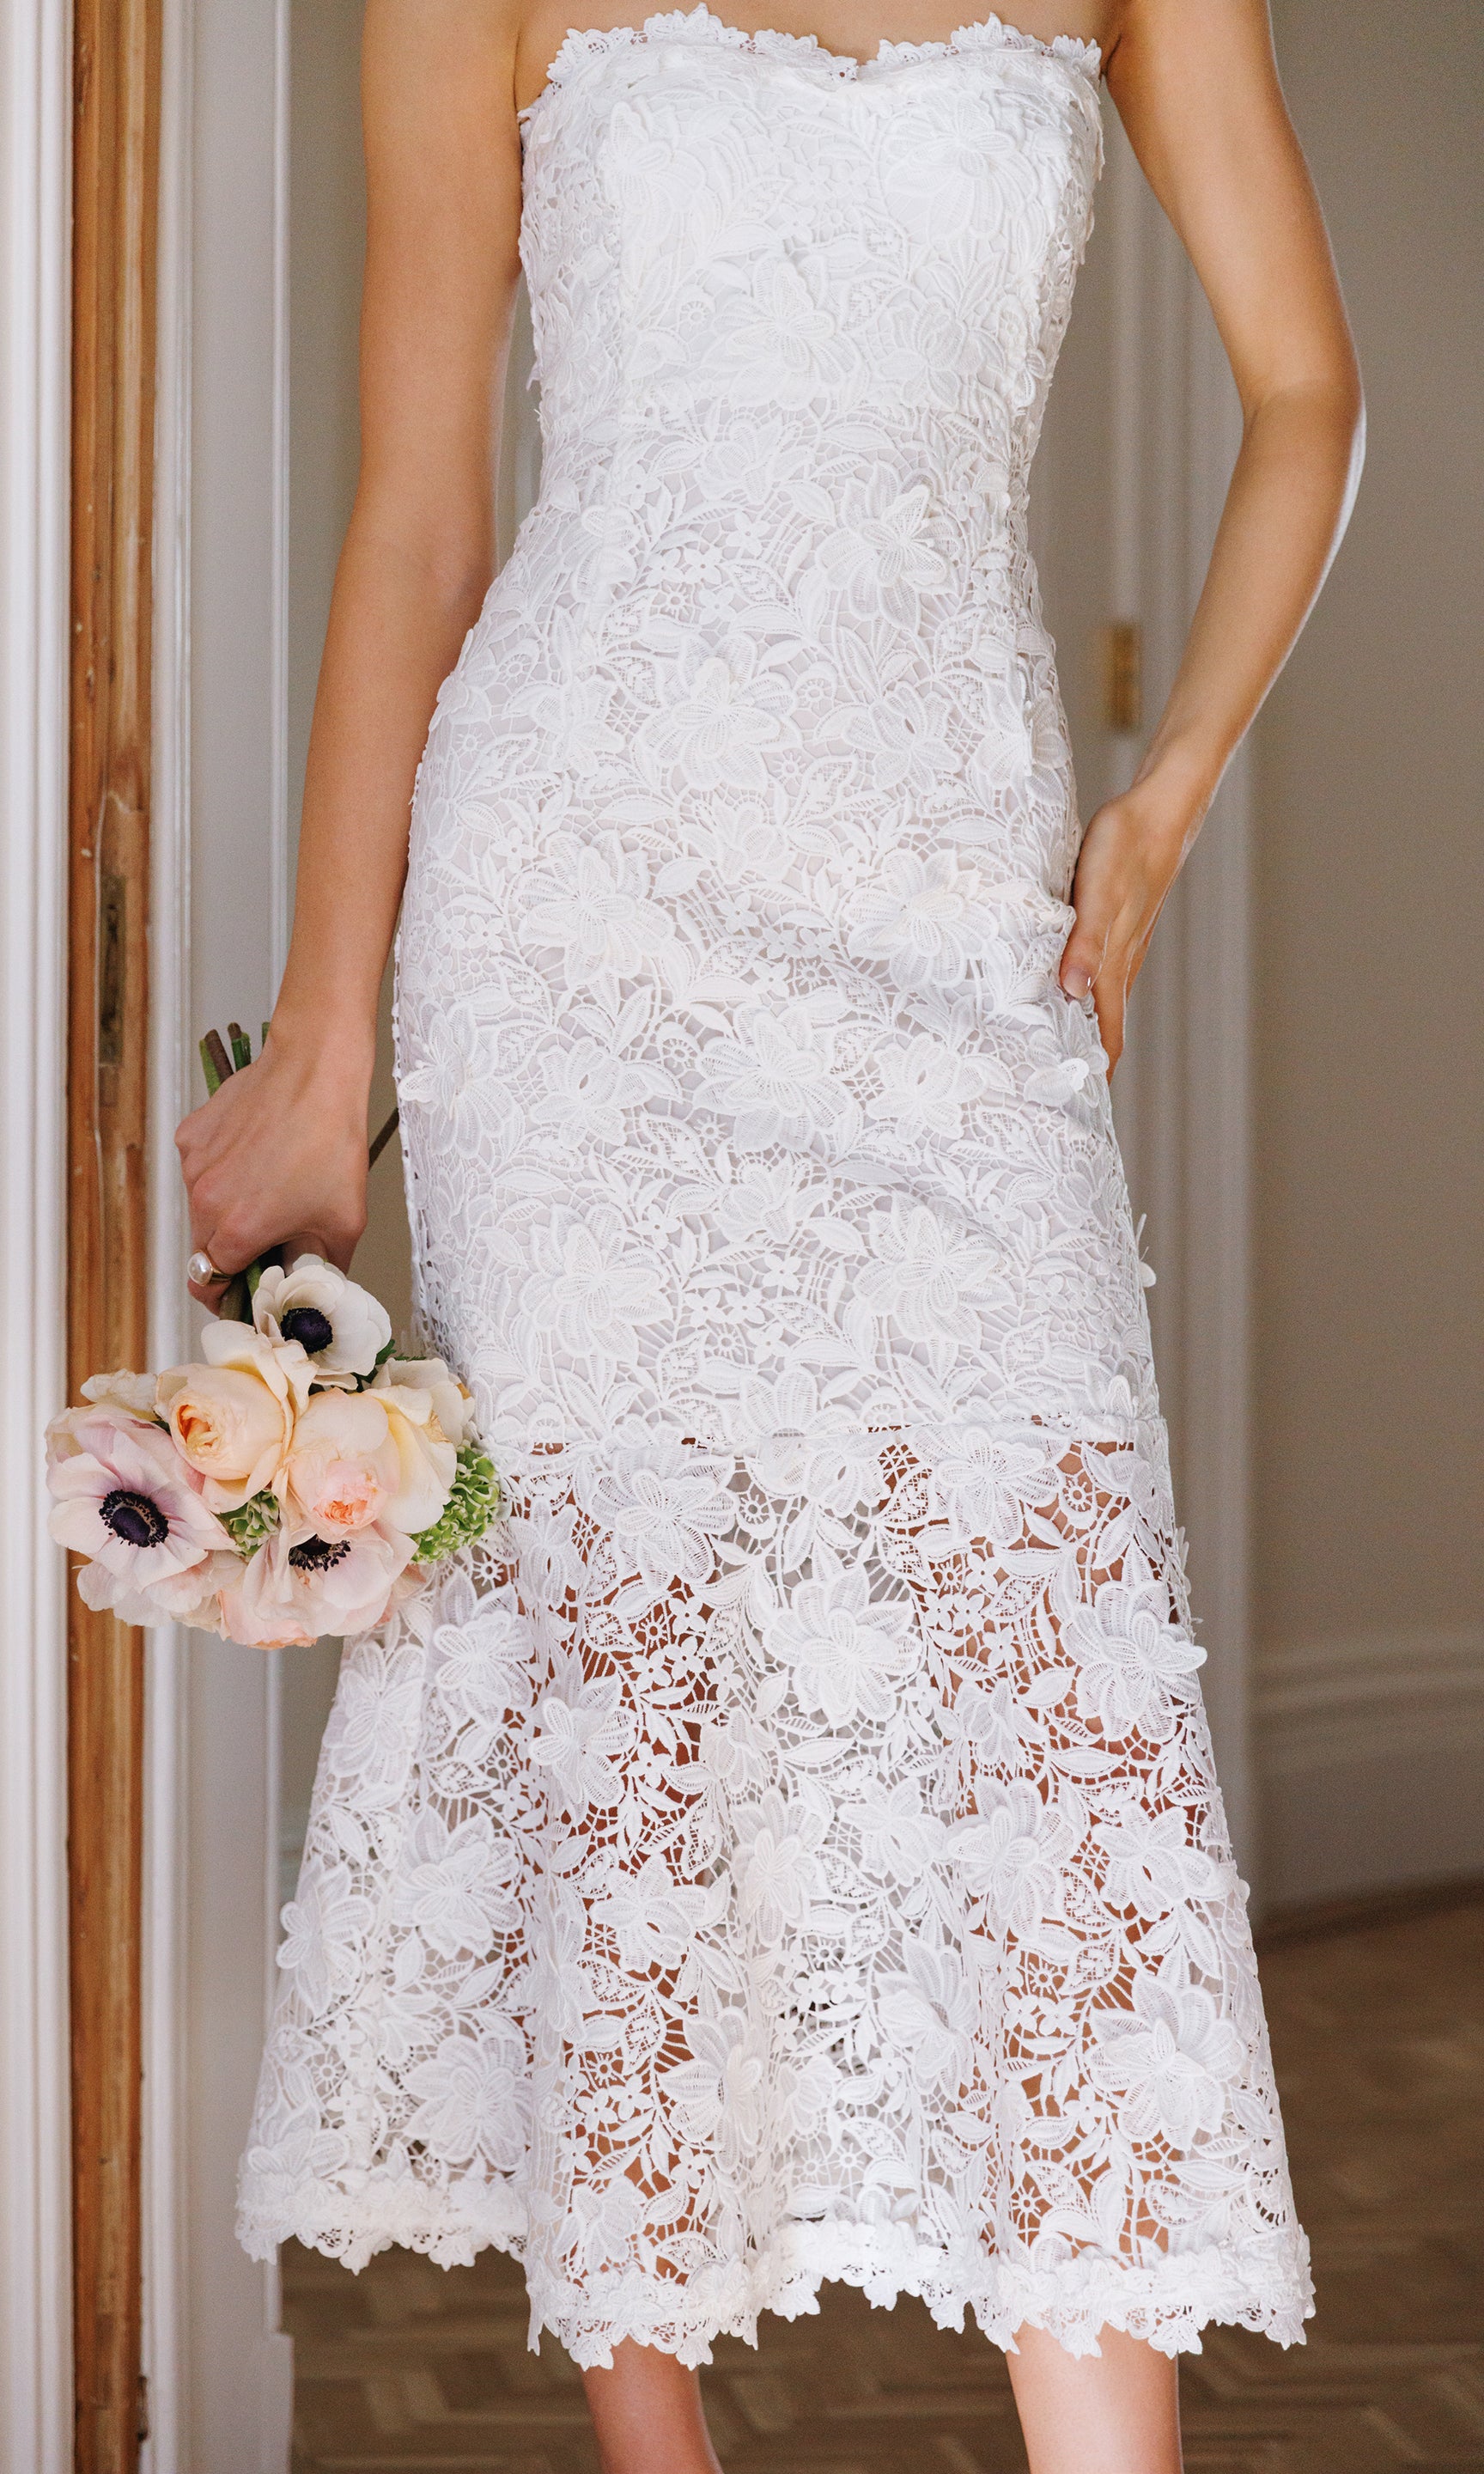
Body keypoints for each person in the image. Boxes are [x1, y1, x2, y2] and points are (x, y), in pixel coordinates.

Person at [183, 1, 1361, 2465]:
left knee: (1061, 1711)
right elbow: (421, 515)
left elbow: (1305, 395)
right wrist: (322, 1037)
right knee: (618, 1673)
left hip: (952, 924)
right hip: (572, 922)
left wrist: (1161, 801)